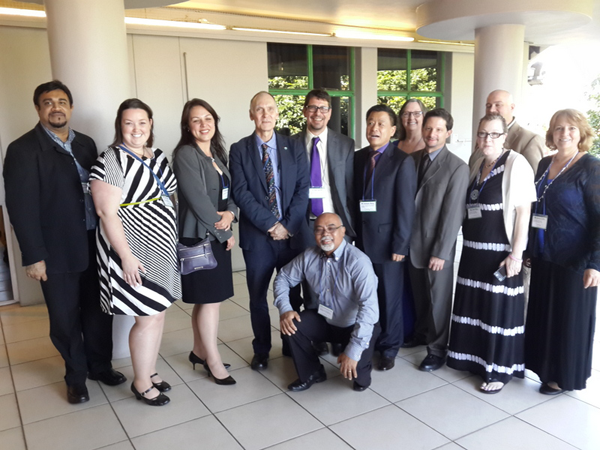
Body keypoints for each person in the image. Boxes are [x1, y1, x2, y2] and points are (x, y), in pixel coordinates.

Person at [3, 80, 124, 404]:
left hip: (93, 244)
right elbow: (20, 207)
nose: (56, 107)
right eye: (47, 102)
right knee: (64, 317)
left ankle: (100, 366)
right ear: (38, 109)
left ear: (70, 107)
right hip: (55, 251)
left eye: (61, 101)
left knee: (99, 310)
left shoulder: (86, 143)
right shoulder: (22, 150)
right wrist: (33, 255)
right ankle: (76, 377)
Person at [90, 98, 180, 406]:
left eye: (142, 122)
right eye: (129, 123)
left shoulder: (157, 155)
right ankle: (141, 383)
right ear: (120, 126)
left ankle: (150, 370)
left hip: (161, 248)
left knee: (159, 311)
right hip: (132, 251)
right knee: (147, 316)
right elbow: (106, 213)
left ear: (151, 124)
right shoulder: (110, 160)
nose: (136, 129)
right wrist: (126, 256)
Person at [447, 114, 536, 393]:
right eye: (483, 133)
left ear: (504, 137)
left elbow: (524, 212)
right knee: (476, 309)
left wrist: (516, 255)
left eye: (494, 134)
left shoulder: (515, 163)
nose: (487, 139)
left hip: (501, 253)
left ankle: (498, 370)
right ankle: (475, 361)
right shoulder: (477, 162)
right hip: (473, 252)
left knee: (497, 314)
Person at [230, 91, 310, 371]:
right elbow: (240, 192)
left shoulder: (295, 146)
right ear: (251, 114)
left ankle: (291, 343)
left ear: (277, 113)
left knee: (293, 295)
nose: (265, 114)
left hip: (291, 236)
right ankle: (262, 349)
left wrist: (286, 225)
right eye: (259, 109)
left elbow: (303, 190)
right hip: (258, 239)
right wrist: (270, 224)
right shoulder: (239, 149)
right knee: (257, 297)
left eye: (270, 109)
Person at [525, 109, 600, 394]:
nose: (564, 133)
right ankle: (544, 369)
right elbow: (536, 207)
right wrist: (531, 247)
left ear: (581, 133)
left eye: (570, 128)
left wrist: (596, 263)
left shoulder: (591, 166)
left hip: (575, 260)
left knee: (569, 321)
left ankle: (563, 376)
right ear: (551, 134)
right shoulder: (545, 163)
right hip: (545, 255)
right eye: (558, 128)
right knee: (546, 315)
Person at [274, 213, 380, 392]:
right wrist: (285, 309)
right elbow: (283, 277)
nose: (325, 234)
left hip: (355, 324)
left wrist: (353, 352)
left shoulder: (359, 262)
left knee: (359, 380)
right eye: (319, 230)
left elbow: (369, 308)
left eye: (331, 228)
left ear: (343, 231)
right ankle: (312, 372)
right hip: (326, 320)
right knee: (292, 324)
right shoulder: (309, 256)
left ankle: (359, 359)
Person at [173, 99, 237, 385]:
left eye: (208, 118)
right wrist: (225, 230)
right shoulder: (186, 154)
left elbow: (228, 194)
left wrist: (231, 214)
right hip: (200, 236)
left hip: (215, 233)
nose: (203, 124)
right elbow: (198, 201)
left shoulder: (215, 153)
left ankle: (199, 351)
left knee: (209, 301)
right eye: (196, 120)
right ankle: (212, 360)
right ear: (188, 126)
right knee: (209, 302)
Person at [353, 104, 417, 371]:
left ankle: (390, 348)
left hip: (390, 245)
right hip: (362, 242)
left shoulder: (402, 161)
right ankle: (370, 341)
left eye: (381, 124)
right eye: (370, 122)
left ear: (393, 130)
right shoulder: (358, 158)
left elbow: (405, 208)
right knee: (367, 296)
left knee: (390, 298)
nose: (374, 128)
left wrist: (400, 245)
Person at [294, 88, 356, 357]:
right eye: (312, 107)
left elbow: (351, 186)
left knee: (341, 281)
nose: (317, 113)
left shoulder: (346, 144)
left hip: (336, 221)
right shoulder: (292, 143)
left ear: (330, 113)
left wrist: (350, 226)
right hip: (308, 222)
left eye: (323, 108)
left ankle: (340, 333)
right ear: (305, 111)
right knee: (312, 282)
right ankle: (317, 333)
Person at [408, 108, 469, 372]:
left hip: (436, 247)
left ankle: (437, 349)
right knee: (420, 297)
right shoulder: (411, 159)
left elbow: (453, 214)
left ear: (448, 133)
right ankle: (421, 335)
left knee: (439, 300)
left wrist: (442, 252)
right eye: (428, 128)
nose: (432, 134)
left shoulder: (457, 167)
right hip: (411, 244)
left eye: (438, 130)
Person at [470, 90, 544, 172]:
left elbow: (533, 178)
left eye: (498, 105)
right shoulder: (484, 135)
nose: (491, 110)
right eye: (488, 106)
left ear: (512, 107)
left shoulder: (530, 139)